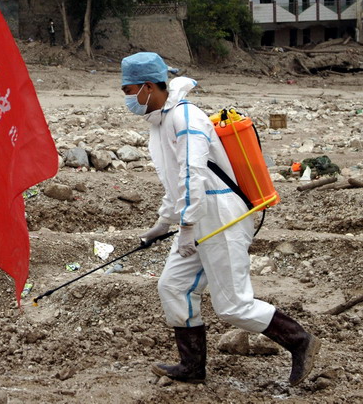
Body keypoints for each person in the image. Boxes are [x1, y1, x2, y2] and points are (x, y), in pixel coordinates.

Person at [120, 52, 321, 386]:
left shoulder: (186, 118)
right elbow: (175, 182)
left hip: (220, 216)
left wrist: (184, 226)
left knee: (232, 305)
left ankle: (300, 341)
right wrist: (163, 222)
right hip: (198, 217)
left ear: (146, 86)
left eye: (128, 90)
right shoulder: (160, 122)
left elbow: (193, 175)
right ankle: (192, 367)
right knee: (174, 286)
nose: (126, 97)